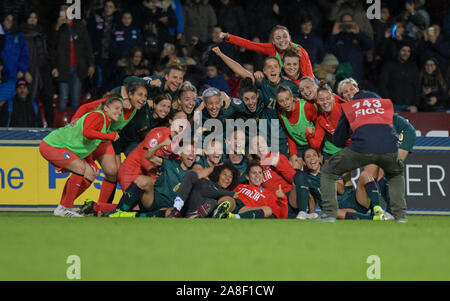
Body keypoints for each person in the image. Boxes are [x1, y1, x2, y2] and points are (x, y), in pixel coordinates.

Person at [315, 91, 406, 223]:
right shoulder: (385, 105)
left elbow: (339, 140)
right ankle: (400, 216)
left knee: (328, 170)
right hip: (389, 148)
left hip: (361, 147)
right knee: (396, 174)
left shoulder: (351, 106)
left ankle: (329, 213)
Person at [39, 96, 122, 217]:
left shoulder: (105, 123)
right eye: (116, 108)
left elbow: (85, 144)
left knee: (91, 172)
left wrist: (90, 162)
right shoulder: (98, 116)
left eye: (121, 110)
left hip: (63, 148)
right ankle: (67, 207)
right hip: (53, 145)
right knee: (81, 169)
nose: (119, 112)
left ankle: (62, 207)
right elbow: (87, 133)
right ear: (106, 108)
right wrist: (110, 137)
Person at [71, 81, 148, 205]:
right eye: (140, 95)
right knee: (83, 172)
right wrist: (75, 119)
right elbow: (85, 107)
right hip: (89, 139)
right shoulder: (116, 102)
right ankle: (65, 204)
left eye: (145, 96)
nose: (143, 99)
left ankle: (100, 206)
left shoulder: (134, 110)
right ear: (130, 95)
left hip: (103, 140)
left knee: (112, 172)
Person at [110, 140, 196, 218]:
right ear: (180, 153)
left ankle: (134, 215)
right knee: (142, 180)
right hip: (152, 199)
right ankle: (119, 210)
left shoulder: (193, 175)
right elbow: (148, 156)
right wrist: (160, 145)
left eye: (194, 152)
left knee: (170, 214)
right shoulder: (170, 164)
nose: (192, 155)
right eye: (188, 151)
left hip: (167, 208)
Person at [296, 147, 387, 221]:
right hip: (339, 209)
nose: (312, 158)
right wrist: (312, 214)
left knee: (365, 175)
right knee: (333, 212)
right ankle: (374, 219)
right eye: (308, 157)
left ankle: (377, 209)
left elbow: (341, 190)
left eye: (314, 155)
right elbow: (311, 198)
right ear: (304, 162)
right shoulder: (307, 178)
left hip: (355, 200)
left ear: (319, 158)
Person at [219, 25, 314, 78]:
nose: (282, 41)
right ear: (273, 41)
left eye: (285, 37)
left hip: (305, 82)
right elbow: (249, 44)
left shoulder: (300, 50)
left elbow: (308, 75)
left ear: (290, 37)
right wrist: (229, 37)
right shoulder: (271, 48)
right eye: (278, 38)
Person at [51, 3, 95, 112]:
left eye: (66, 9)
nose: (64, 12)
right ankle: (61, 127)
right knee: (63, 99)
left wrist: (91, 64)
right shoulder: (57, 27)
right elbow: (51, 47)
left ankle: (75, 127)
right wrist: (57, 27)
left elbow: (88, 46)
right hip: (62, 68)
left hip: (78, 68)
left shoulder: (79, 25)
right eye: (62, 9)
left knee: (76, 99)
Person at [216, 161, 288, 219]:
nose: (257, 175)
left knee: (268, 210)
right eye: (254, 173)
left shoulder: (269, 194)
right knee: (228, 200)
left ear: (263, 177)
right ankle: (217, 213)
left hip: (247, 210)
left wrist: (283, 199)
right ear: (247, 176)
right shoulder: (239, 186)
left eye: (260, 173)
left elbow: (282, 217)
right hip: (234, 202)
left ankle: (234, 217)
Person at [168, 163, 241, 218]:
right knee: (192, 174)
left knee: (211, 202)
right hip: (187, 205)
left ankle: (193, 215)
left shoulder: (227, 193)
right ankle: (176, 209)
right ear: (218, 174)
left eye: (230, 176)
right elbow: (206, 191)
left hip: (199, 210)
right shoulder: (207, 182)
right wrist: (230, 193)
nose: (227, 178)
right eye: (224, 174)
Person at [20, 11, 54, 127]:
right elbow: (19, 54)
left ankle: (50, 126)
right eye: (30, 17)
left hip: (44, 68)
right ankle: (30, 125)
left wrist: (53, 66)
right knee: (31, 97)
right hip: (30, 70)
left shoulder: (42, 33)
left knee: (48, 98)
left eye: (35, 17)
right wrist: (25, 71)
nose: (33, 20)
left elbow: (48, 50)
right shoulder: (22, 34)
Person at [276, 84, 316, 168]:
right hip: (299, 146)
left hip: (313, 143)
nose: (285, 103)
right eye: (281, 101)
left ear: (292, 97)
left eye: (287, 99)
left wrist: (317, 150)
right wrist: (293, 153)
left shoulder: (306, 107)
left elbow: (320, 126)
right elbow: (289, 134)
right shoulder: (281, 113)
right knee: (293, 165)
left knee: (314, 165)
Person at [326, 13, 372, 82]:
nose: (347, 24)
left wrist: (358, 33)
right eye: (345, 22)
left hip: (357, 74)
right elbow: (327, 50)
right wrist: (333, 34)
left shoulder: (358, 36)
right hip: (341, 74)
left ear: (354, 23)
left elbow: (369, 45)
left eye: (350, 22)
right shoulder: (337, 37)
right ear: (340, 23)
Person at [306, 82, 346, 160]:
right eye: (321, 100)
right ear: (317, 101)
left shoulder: (344, 109)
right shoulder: (321, 120)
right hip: (333, 153)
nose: (325, 102)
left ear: (333, 97)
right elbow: (316, 144)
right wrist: (309, 135)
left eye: (328, 98)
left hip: (352, 149)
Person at [379, 43, 420, 112]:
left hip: (409, 106)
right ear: (398, 51)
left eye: (408, 51)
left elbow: (417, 87)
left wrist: (415, 105)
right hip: (393, 105)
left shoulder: (413, 67)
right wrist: (388, 102)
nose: (406, 53)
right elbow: (382, 84)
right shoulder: (389, 65)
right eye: (403, 50)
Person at [0, 13, 30, 81]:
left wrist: (22, 69)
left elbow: (25, 54)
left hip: (15, 74)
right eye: (7, 19)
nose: (9, 22)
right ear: (3, 21)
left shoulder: (19, 36)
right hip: (2, 73)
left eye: (12, 20)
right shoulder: (1, 35)